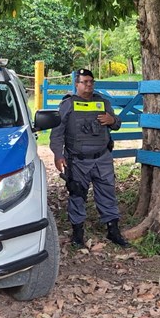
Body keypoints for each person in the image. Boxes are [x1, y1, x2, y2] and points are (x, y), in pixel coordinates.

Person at [50, 68, 129, 248]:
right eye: (84, 82)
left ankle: (113, 230)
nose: (88, 85)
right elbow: (57, 133)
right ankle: (78, 234)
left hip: (102, 158)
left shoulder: (103, 102)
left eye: (91, 82)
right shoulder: (68, 104)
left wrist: (112, 120)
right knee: (77, 194)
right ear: (76, 84)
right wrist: (58, 155)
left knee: (107, 193)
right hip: (77, 160)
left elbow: (117, 124)